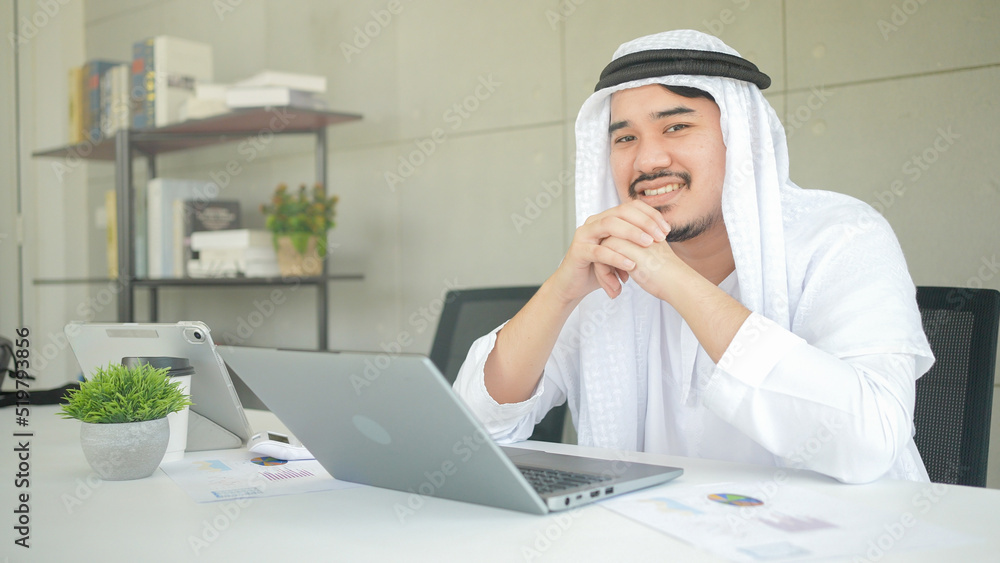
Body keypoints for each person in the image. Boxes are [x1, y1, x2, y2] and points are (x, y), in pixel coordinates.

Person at [453, 29, 935, 484]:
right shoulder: (611, 268)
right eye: (625, 138)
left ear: (739, 137)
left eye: (677, 127)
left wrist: (676, 281)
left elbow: (870, 442)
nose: (648, 160)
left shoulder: (841, 236)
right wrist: (562, 289)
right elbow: (474, 430)